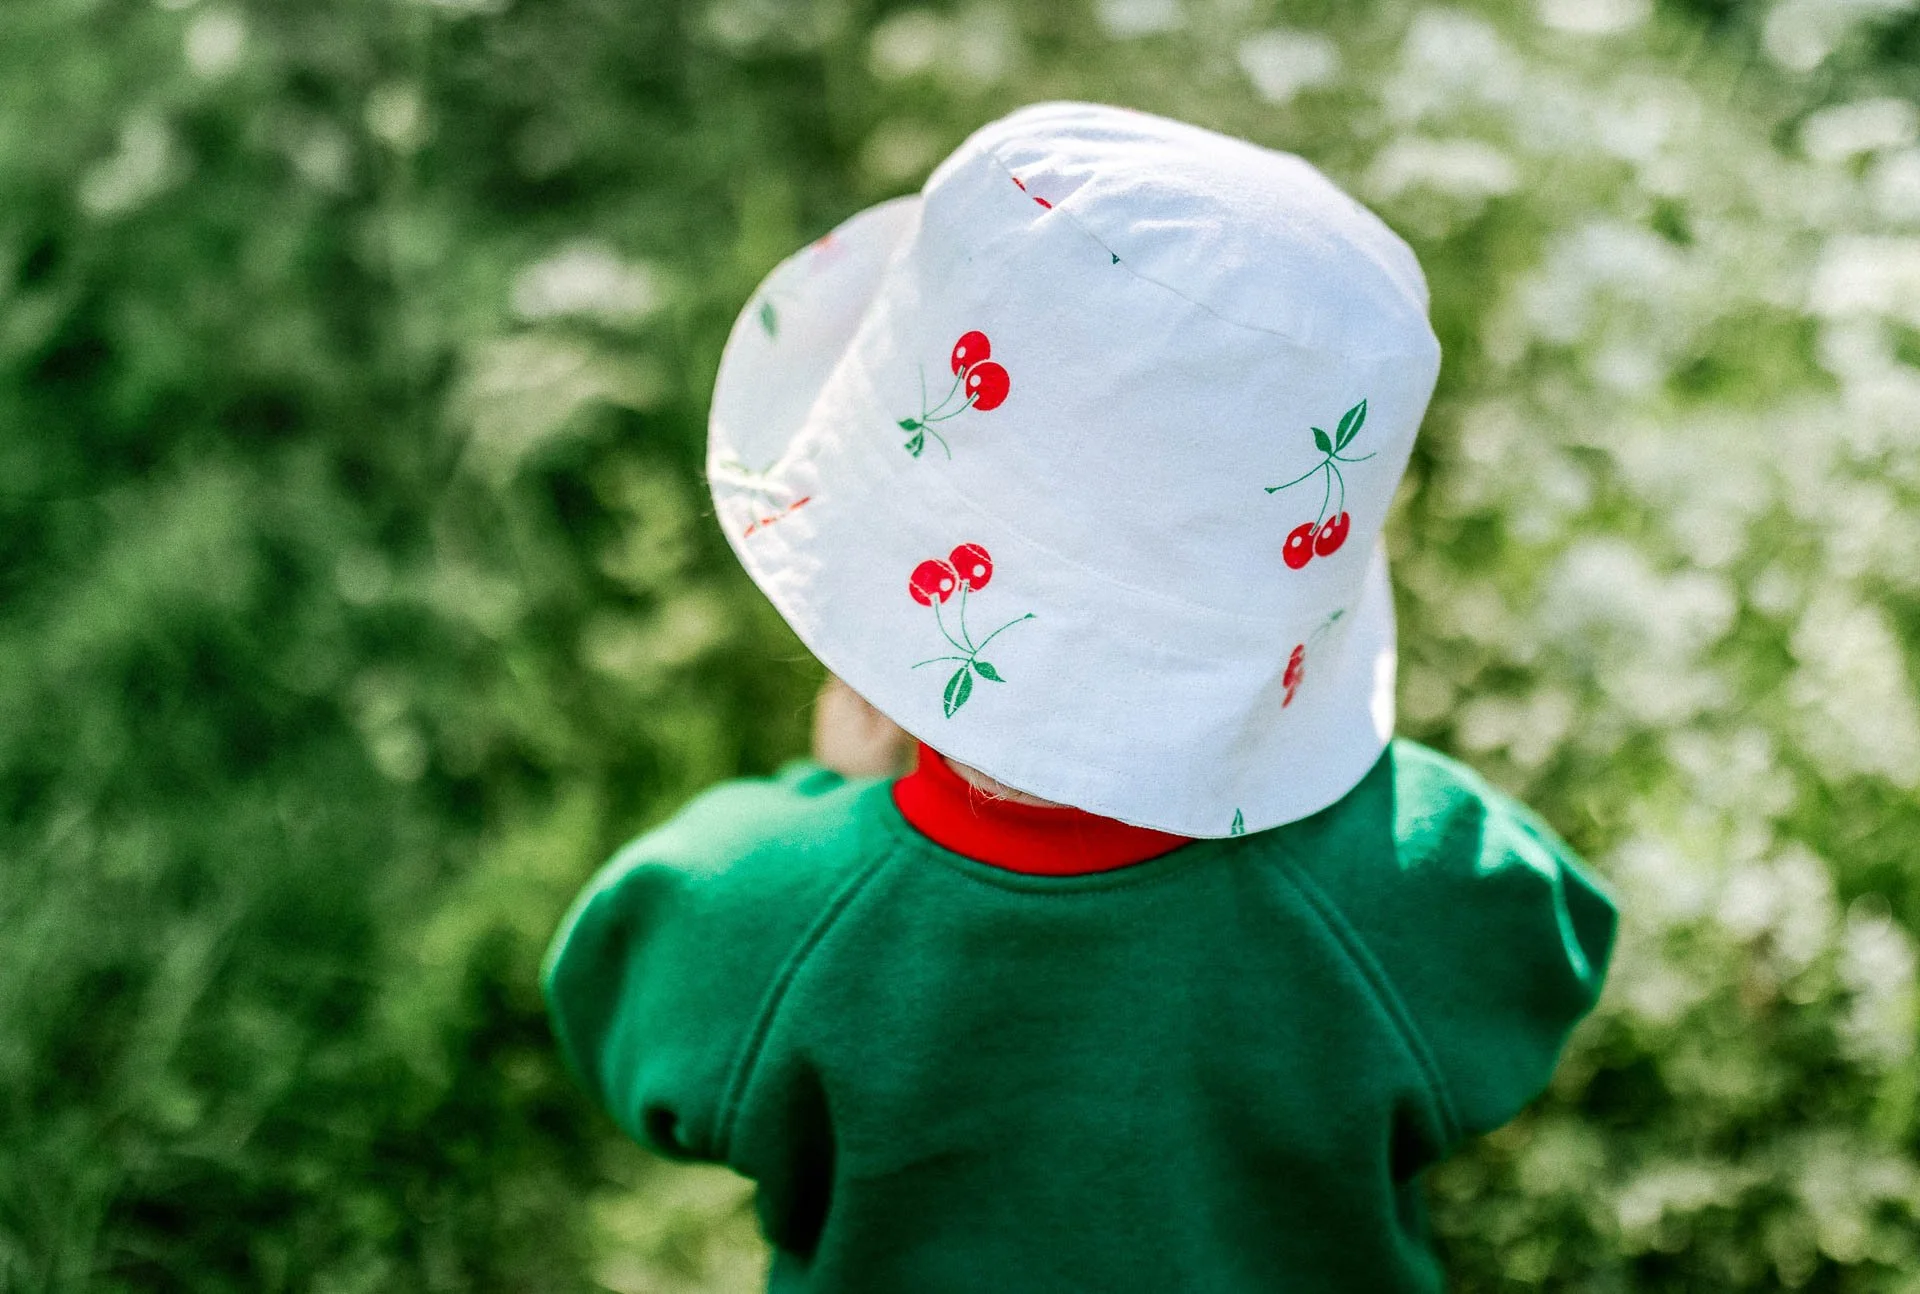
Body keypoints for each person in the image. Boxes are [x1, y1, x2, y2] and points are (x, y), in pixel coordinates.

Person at [542, 102, 1617, 1293]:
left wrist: (827, 795)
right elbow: (1552, 946)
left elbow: (610, 993)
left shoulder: (764, 910)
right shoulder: (1412, 871)